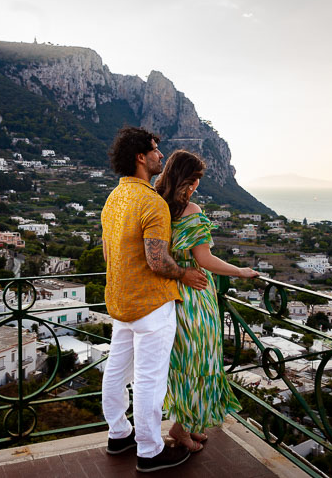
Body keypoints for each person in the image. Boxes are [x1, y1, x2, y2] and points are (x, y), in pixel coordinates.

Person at [100, 127, 208, 473]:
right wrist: (185, 275)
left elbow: (107, 253)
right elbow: (158, 260)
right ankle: (149, 451)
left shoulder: (114, 199)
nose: (161, 156)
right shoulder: (152, 202)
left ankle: (119, 434)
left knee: (116, 371)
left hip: (120, 301)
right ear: (140, 157)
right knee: (149, 379)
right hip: (151, 306)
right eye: (155, 150)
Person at [155, 150, 260, 453]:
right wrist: (240, 271)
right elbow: (205, 259)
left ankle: (186, 424)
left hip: (168, 293)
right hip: (195, 296)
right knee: (199, 361)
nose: (198, 185)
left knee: (182, 362)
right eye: (196, 179)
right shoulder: (190, 209)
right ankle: (181, 428)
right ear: (187, 179)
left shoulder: (156, 204)